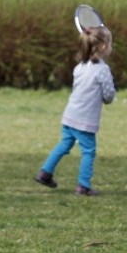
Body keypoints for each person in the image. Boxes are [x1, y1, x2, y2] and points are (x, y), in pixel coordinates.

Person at [35, 26, 115, 196]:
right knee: (88, 151)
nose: (111, 46)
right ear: (102, 47)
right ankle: (83, 186)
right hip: (85, 120)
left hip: (70, 115)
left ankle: (45, 173)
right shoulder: (102, 70)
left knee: (64, 144)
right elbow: (108, 96)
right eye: (110, 43)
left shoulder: (80, 66)